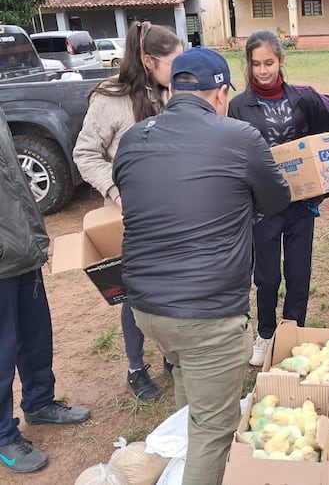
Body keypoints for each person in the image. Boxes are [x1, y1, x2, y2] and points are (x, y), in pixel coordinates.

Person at [113, 47, 290, 485]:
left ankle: (179, 454)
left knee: (191, 387)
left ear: (171, 90)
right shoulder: (240, 136)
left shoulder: (135, 138)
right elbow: (276, 198)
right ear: (220, 94)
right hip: (208, 314)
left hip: (147, 310)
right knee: (215, 428)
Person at [228, 30, 329, 367]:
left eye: (270, 63)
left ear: (281, 60)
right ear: (248, 64)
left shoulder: (304, 99)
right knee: (267, 276)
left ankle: (295, 332)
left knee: (299, 272)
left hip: (301, 205)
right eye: (257, 64)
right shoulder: (238, 106)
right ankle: (265, 333)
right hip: (262, 209)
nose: (263, 70)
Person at [73, 21, 182, 402]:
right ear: (148, 61)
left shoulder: (174, 93)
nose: (179, 69)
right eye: (173, 62)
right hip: (130, 217)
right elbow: (85, 153)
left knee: (172, 288)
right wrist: (116, 191)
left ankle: (172, 354)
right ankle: (136, 368)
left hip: (173, 215)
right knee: (134, 294)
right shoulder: (109, 99)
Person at [1, 109, 91, 475]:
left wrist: (33, 236)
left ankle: (39, 401)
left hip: (20, 249)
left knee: (36, 335)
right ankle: (4, 435)